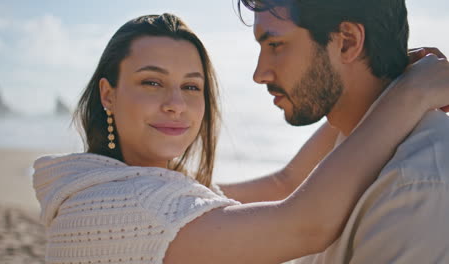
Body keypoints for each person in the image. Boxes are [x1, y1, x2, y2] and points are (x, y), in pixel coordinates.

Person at [32, 13, 449, 264]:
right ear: (109, 94)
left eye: (192, 87)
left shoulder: (140, 190)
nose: (176, 104)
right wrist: (411, 96)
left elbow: (286, 184)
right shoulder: (137, 208)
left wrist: (376, 91)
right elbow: (303, 224)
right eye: (152, 83)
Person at [237, 0, 449, 263]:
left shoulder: (416, 185)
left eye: (275, 45)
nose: (260, 74)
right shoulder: (351, 135)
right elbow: (286, 183)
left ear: (347, 42)